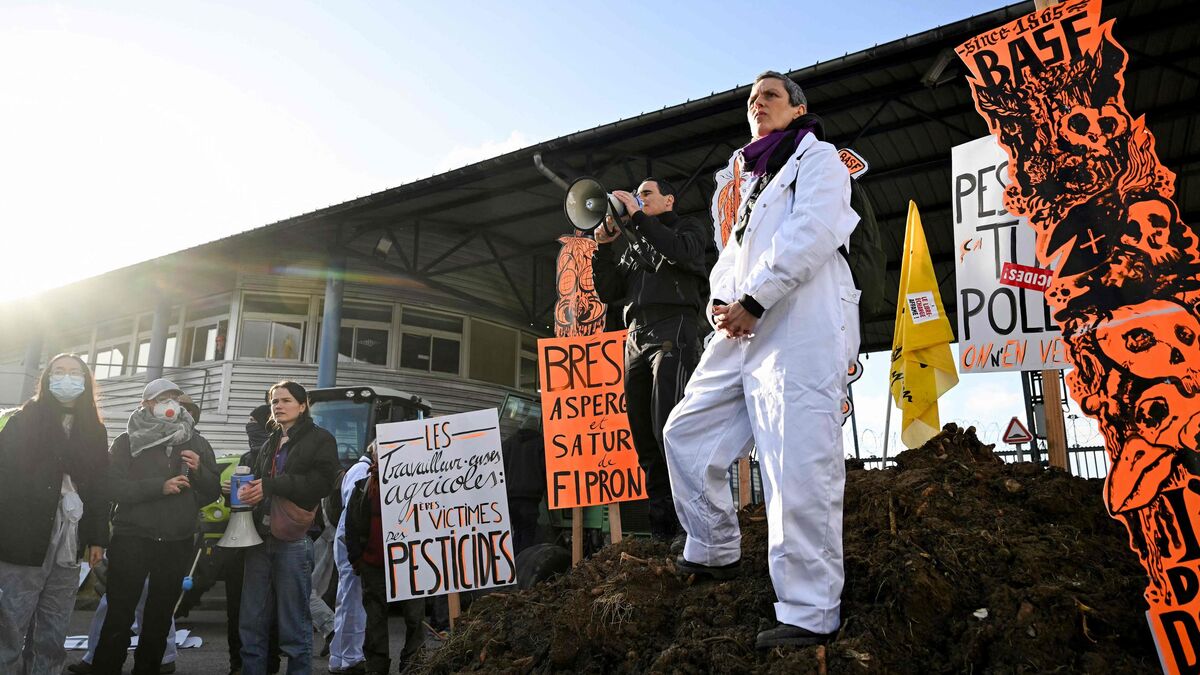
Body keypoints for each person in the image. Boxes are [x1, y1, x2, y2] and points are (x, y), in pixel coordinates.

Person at [663, 71, 861, 649]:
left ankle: (808, 611)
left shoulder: (818, 159)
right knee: (688, 432)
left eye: (771, 95)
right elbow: (731, 258)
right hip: (743, 326)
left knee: (795, 463)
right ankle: (716, 547)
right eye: (752, 99)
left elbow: (815, 231)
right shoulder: (750, 183)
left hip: (797, 323)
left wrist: (754, 299)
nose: (759, 104)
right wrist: (721, 302)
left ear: (799, 109)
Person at [590, 176, 708, 544]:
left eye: (646, 194)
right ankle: (663, 530)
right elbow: (609, 291)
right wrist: (603, 249)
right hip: (636, 339)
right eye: (635, 196)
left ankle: (691, 527)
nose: (638, 200)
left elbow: (681, 252)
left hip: (673, 330)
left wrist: (640, 218)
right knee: (643, 437)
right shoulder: (633, 245)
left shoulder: (686, 228)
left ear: (668, 201)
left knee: (667, 428)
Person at [91, 379, 219, 674]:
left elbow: (212, 492)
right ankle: (105, 666)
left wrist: (200, 471)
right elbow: (112, 487)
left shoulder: (195, 441)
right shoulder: (127, 441)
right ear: (146, 403)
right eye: (162, 398)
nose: (170, 403)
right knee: (119, 611)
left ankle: (148, 667)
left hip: (177, 539)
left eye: (174, 397)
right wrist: (158, 487)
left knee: (160, 614)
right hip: (132, 536)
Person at [0, 353, 110, 674]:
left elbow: (100, 490)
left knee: (54, 627)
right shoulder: (24, 420)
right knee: (10, 623)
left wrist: (97, 539)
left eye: (74, 372)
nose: (66, 377)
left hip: (70, 542)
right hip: (22, 537)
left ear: (86, 382)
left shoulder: (95, 431)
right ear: (46, 379)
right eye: (58, 371)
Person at [237, 381, 340, 675]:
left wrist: (271, 485)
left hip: (294, 538)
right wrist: (242, 490)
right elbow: (260, 480)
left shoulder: (321, 439)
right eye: (274, 401)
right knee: (251, 622)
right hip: (260, 536)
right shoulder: (270, 441)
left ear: (302, 405)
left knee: (295, 624)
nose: (278, 406)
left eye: (285, 400)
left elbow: (322, 483)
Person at [345, 442, 424, 674]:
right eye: (381, 449)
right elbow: (350, 525)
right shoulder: (363, 487)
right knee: (376, 619)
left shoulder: (417, 484)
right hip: (374, 564)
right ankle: (377, 667)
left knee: (415, 616)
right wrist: (357, 560)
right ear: (374, 454)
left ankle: (413, 664)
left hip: (411, 563)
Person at [328, 445, 373, 674]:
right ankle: (350, 657)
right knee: (352, 601)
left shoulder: (356, 469)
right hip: (351, 538)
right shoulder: (363, 471)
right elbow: (356, 510)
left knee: (345, 598)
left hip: (345, 537)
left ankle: (339, 657)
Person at [501, 418, 546, 556]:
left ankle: (514, 562)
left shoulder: (508, 443)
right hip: (530, 498)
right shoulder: (541, 444)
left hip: (511, 497)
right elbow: (546, 469)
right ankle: (523, 565)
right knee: (527, 534)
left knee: (517, 531)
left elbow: (500, 468)